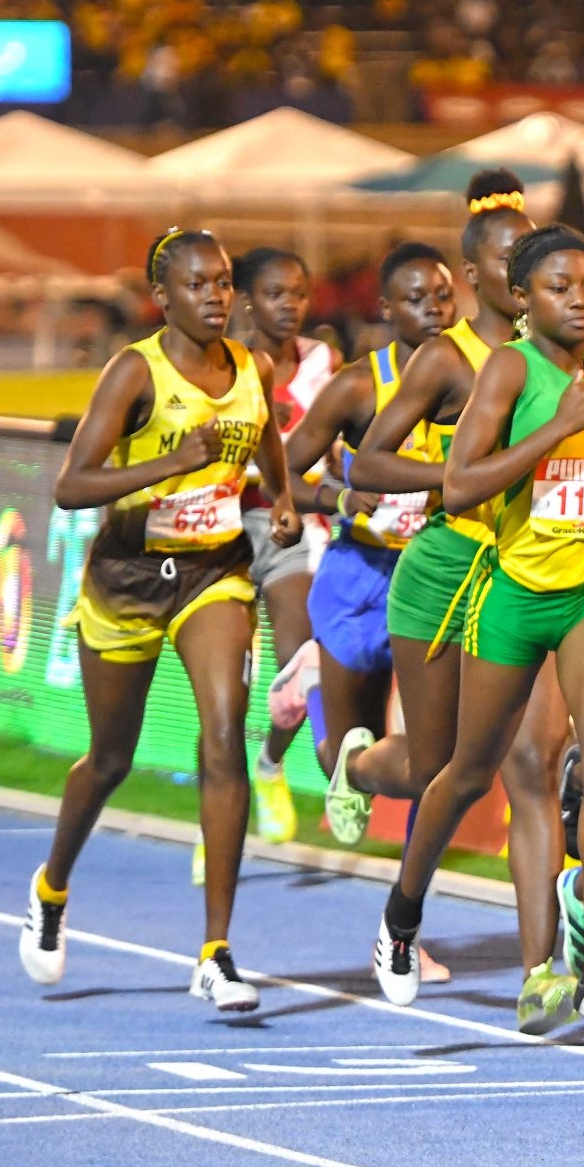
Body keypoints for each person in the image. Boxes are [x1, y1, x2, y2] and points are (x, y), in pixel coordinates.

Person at [375, 226, 584, 1044]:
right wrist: (552, 431)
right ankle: (400, 913)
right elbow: (459, 487)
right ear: (524, 300)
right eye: (562, 287)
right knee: (467, 770)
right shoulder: (508, 370)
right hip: (515, 594)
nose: (582, 300)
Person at [19, 228, 301, 1013]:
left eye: (226, 282)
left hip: (213, 574)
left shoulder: (253, 367)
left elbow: (268, 443)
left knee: (223, 734)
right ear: (164, 297)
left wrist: (277, 501)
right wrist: (172, 463)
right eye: (201, 284)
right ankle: (51, 885)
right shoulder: (133, 372)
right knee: (110, 759)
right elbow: (72, 486)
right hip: (127, 580)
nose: (219, 296)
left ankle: (216, 951)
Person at [350, 173, 581, 1024]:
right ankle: (394, 881)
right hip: (445, 576)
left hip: (531, 576)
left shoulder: (565, 359)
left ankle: (539, 972)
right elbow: (364, 464)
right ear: (477, 277)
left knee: (530, 767)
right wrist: (449, 480)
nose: (528, 279)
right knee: (437, 766)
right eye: (509, 263)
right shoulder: (446, 357)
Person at [283, 243, 454, 836]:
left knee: (430, 757)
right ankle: (313, 684)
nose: (432, 309)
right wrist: (338, 498)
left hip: (438, 577)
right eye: (414, 299)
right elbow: (283, 473)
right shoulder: (358, 388)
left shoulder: (481, 383)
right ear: (386, 307)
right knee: (346, 758)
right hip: (362, 574)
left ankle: (406, 913)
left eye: (441, 295)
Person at [234, 247, 332, 847]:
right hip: (225, 532)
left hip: (292, 528)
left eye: (298, 293)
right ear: (248, 302)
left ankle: (270, 764)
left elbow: (334, 438)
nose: (289, 306)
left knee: (297, 668)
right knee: (227, 690)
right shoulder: (228, 366)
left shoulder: (324, 361)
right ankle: (214, 819)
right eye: (275, 295)